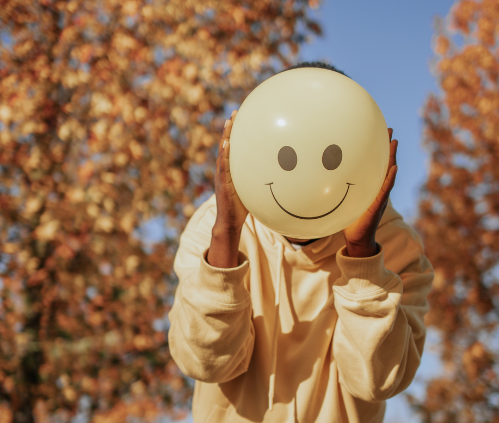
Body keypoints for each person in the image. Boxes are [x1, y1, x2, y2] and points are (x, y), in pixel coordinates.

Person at [168, 62, 435, 423]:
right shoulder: (213, 229)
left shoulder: (397, 246)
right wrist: (227, 236)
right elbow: (202, 362)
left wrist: (362, 257)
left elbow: (379, 382)